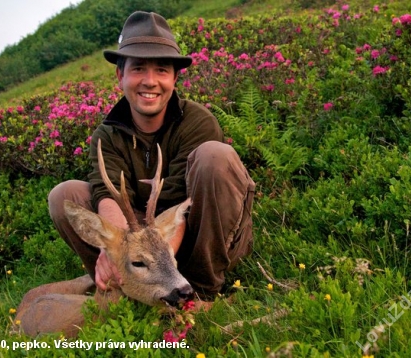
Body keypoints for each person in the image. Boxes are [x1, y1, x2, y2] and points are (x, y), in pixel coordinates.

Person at [48, 11, 255, 300]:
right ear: (120, 75)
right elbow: (105, 196)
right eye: (138, 69)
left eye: (161, 70)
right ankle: (124, 287)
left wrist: (156, 257)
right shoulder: (106, 136)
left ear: (174, 77)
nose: (150, 81)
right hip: (142, 246)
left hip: (198, 237)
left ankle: (203, 292)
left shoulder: (197, 122)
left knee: (214, 157)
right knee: (65, 195)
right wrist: (118, 250)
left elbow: (179, 207)